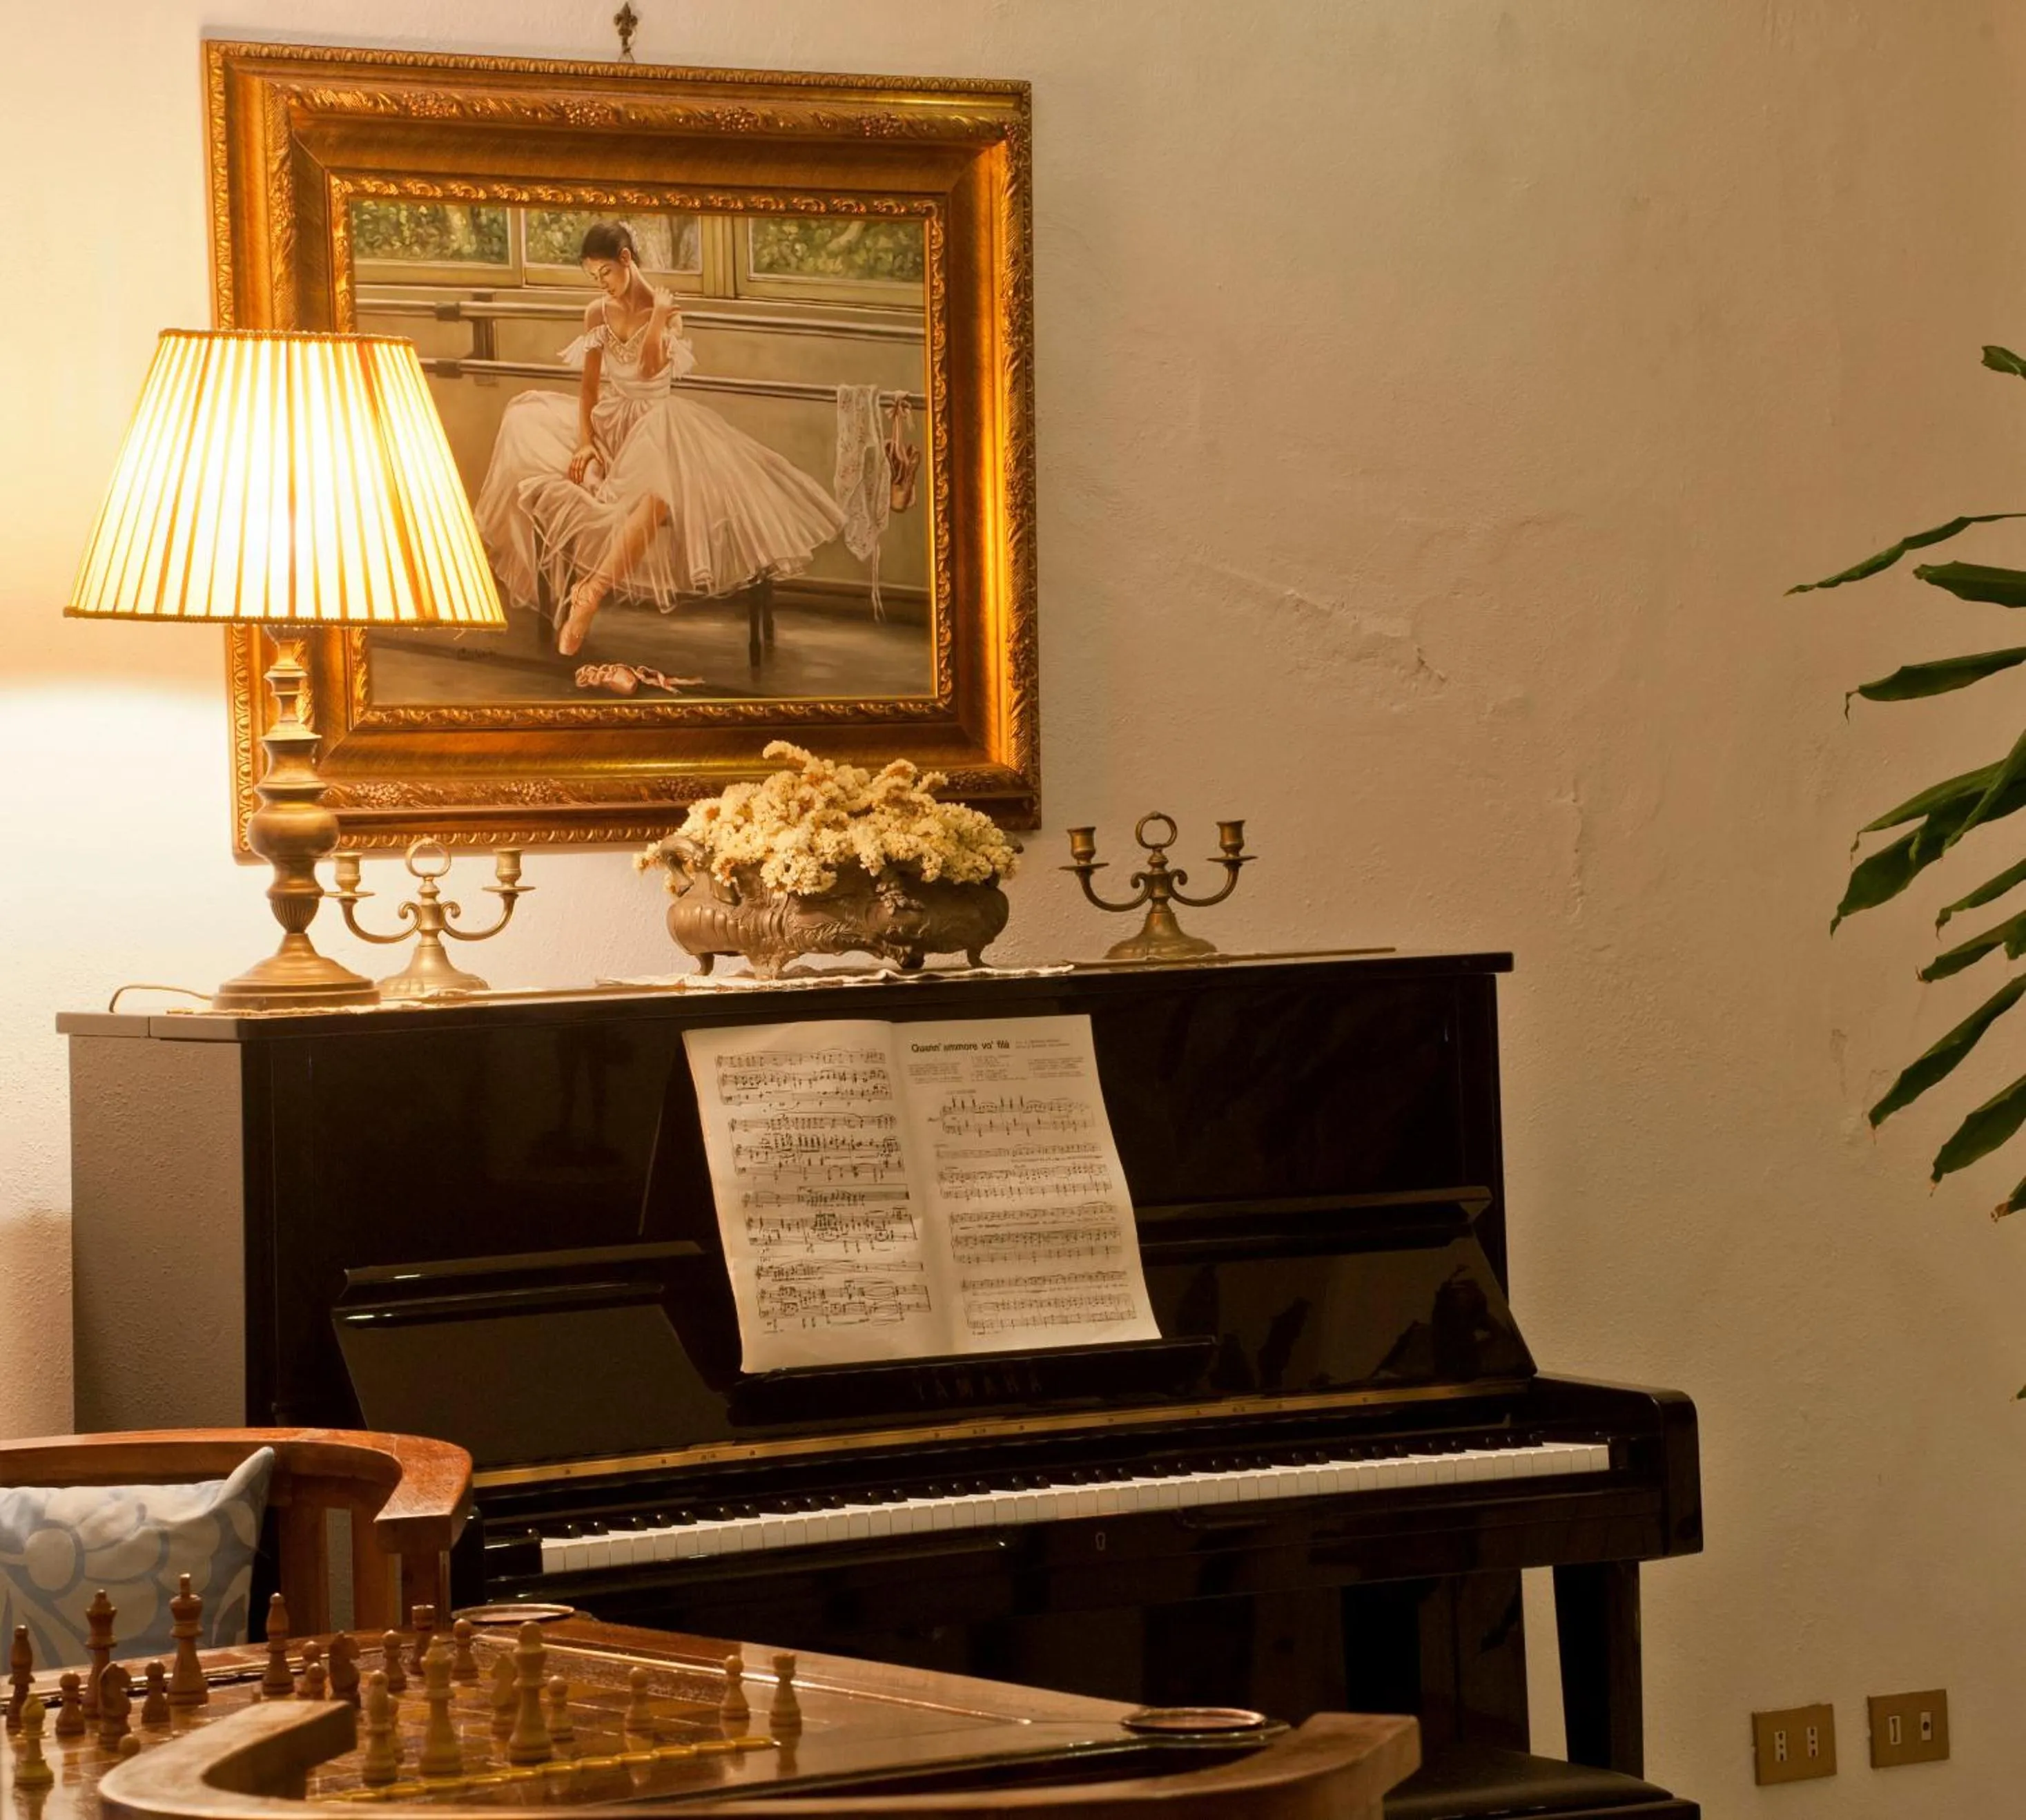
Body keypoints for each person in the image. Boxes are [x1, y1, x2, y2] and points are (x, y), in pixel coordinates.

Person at [473, 221, 846, 657]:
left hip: (660, 425)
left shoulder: (668, 311)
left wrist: (657, 321)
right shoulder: (597, 312)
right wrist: (586, 442)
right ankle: (589, 553)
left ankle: (591, 594)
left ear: (627, 260)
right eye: (594, 277)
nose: (602, 285)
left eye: (606, 273)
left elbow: (651, 370)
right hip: (612, 424)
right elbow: (590, 388)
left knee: (659, 496)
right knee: (529, 420)